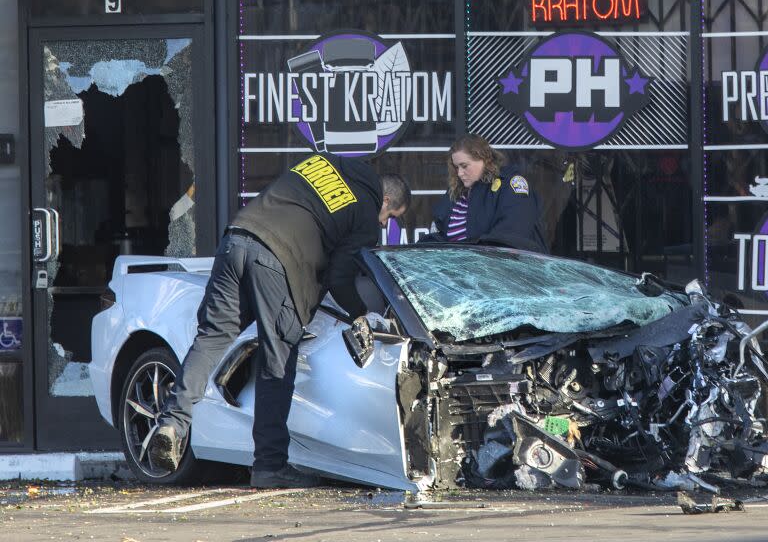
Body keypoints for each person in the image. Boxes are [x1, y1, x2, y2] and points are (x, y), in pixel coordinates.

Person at [149, 153, 410, 488]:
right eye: (388, 216)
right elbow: (340, 278)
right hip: (276, 260)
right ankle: (269, 466)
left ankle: (173, 421)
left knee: (212, 337)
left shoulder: (323, 163)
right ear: (385, 199)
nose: (383, 224)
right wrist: (360, 314)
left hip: (236, 237)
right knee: (279, 359)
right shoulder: (364, 212)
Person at [421, 134, 548, 253]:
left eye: (464, 166)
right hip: (460, 272)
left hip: (502, 273)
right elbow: (438, 235)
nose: (459, 173)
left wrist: (465, 250)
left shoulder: (509, 185)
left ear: (484, 159)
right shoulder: (454, 193)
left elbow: (511, 238)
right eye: (456, 167)